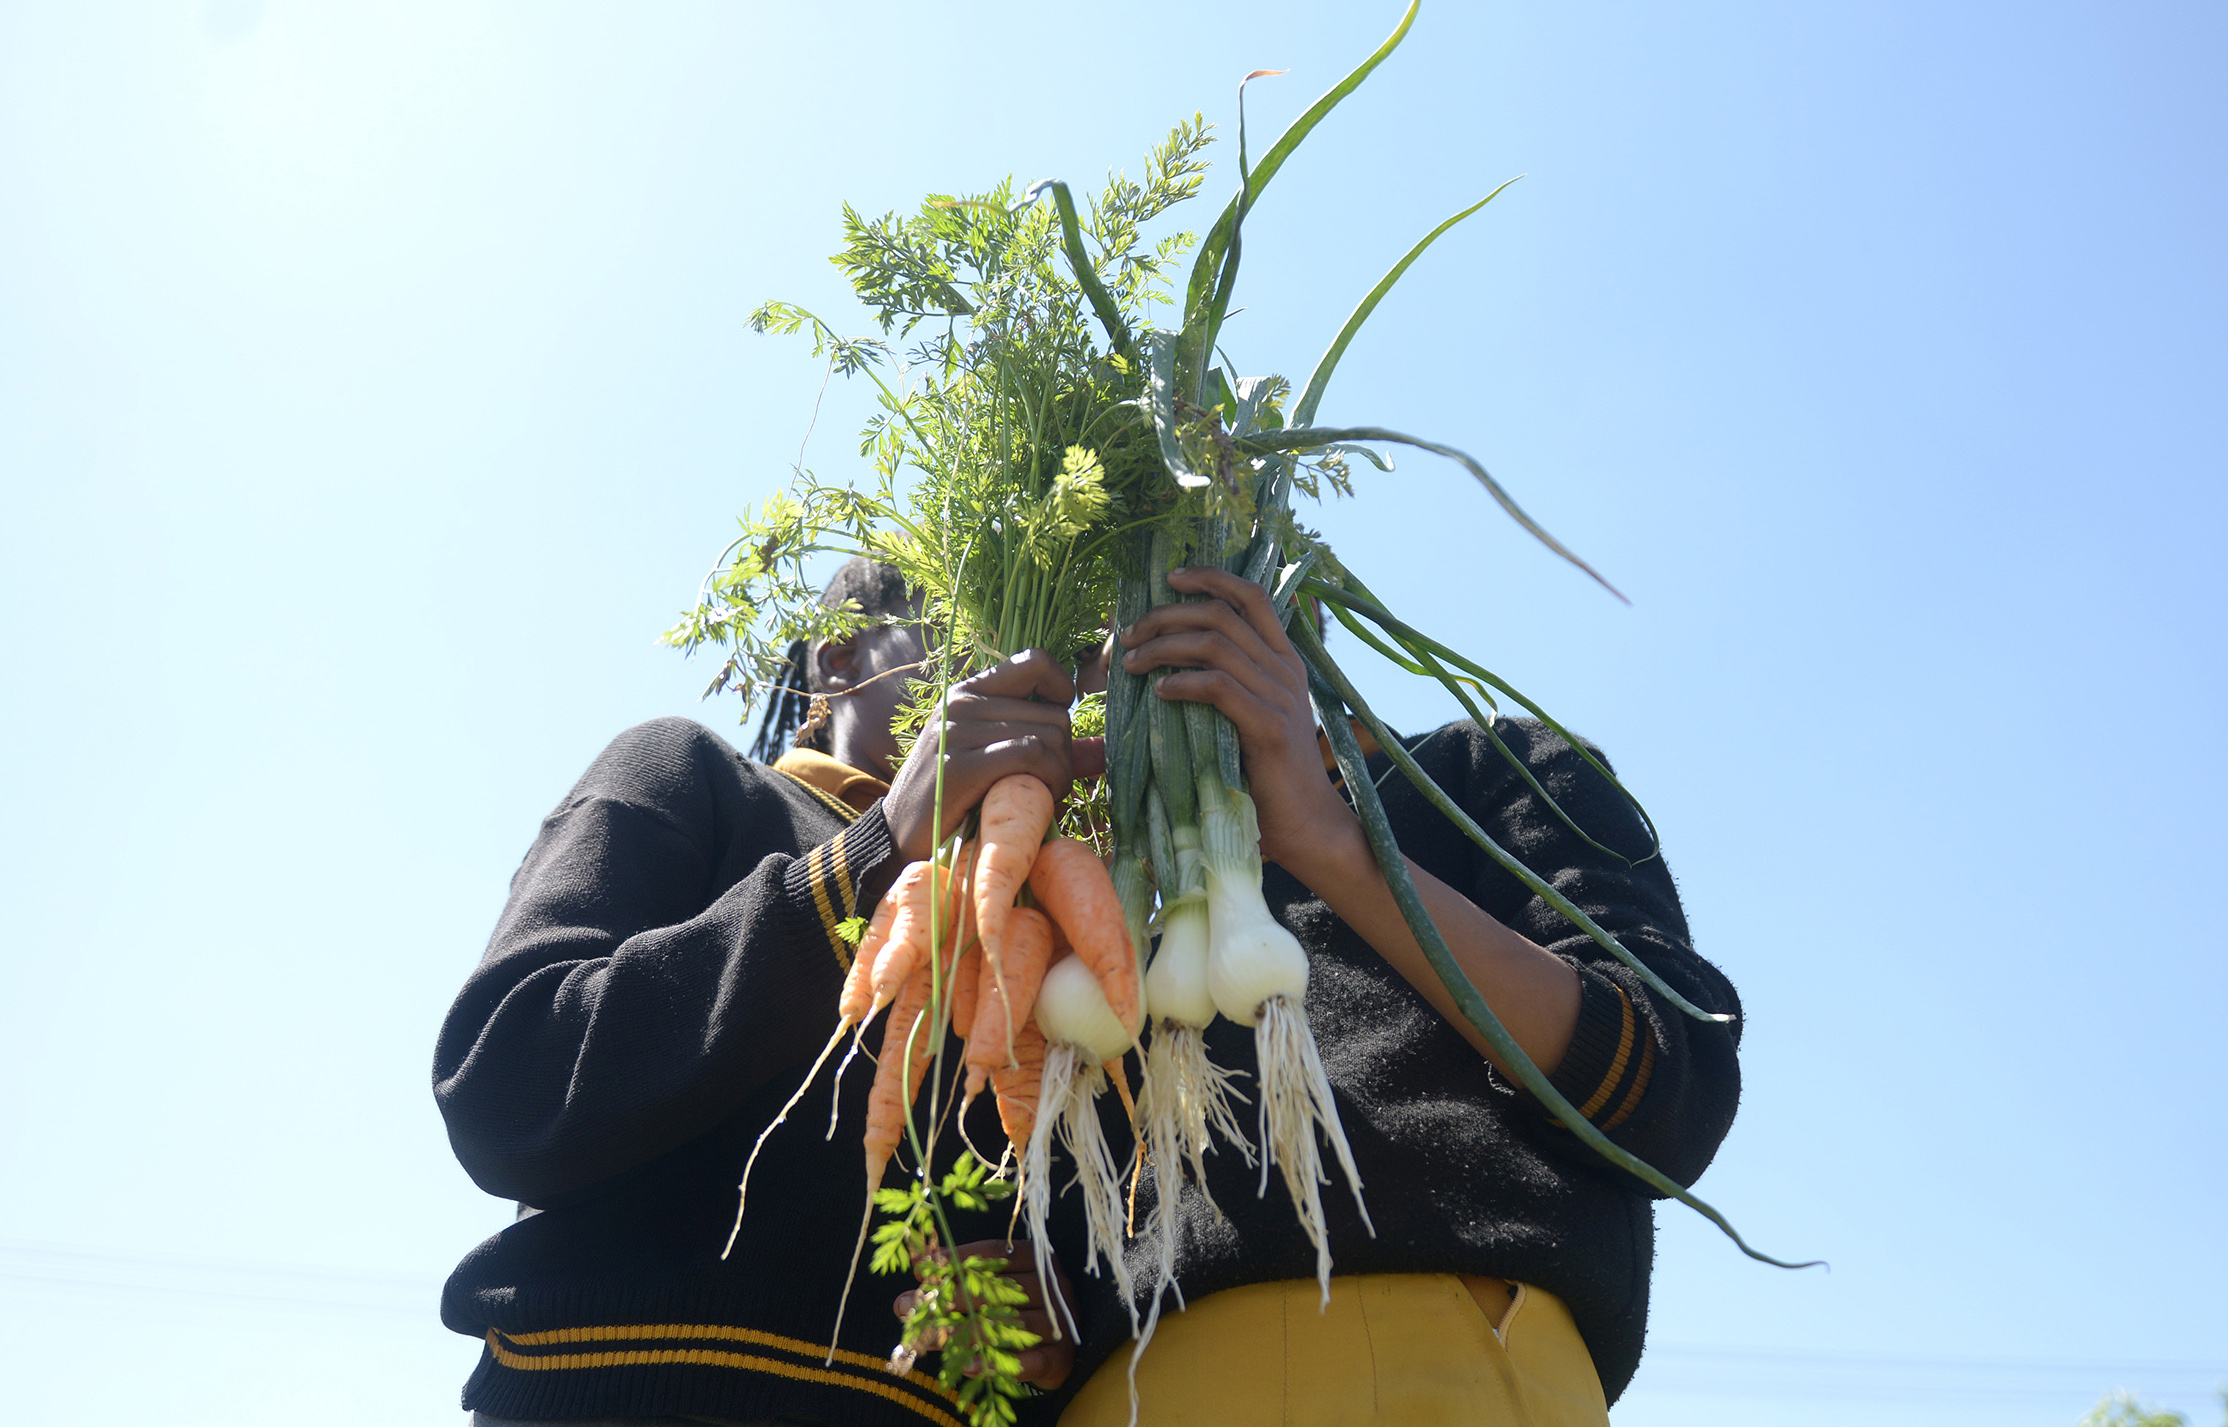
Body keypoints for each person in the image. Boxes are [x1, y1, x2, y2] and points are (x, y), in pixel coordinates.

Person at [1022, 566, 1743, 1427]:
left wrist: (1330, 840)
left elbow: (1671, 1086)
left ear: (1290, 600)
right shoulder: (1062, 886)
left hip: (1443, 1365)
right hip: (1125, 1391)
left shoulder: (1481, 768)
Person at [432, 558, 1089, 1426]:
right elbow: (503, 1087)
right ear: (841, 658)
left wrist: (1058, 1315)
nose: (1000, 668)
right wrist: (869, 857)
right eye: (955, 633)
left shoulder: (1053, 928)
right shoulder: (690, 773)